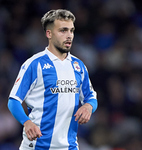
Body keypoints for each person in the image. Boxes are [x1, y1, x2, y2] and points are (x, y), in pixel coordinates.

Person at [7, 9, 98, 150]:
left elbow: (91, 96)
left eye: (71, 31)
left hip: (70, 146)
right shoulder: (34, 64)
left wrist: (88, 106)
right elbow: (13, 101)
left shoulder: (78, 65)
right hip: (37, 145)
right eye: (63, 30)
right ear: (49, 34)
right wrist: (27, 122)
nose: (69, 36)